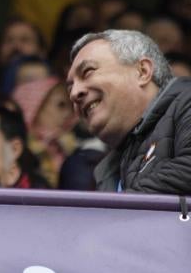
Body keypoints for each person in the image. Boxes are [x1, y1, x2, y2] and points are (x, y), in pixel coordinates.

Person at [66, 29, 191, 193]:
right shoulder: (106, 171)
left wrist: (119, 210)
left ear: (142, 71)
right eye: (70, 87)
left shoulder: (186, 101)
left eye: (88, 71)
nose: (75, 93)